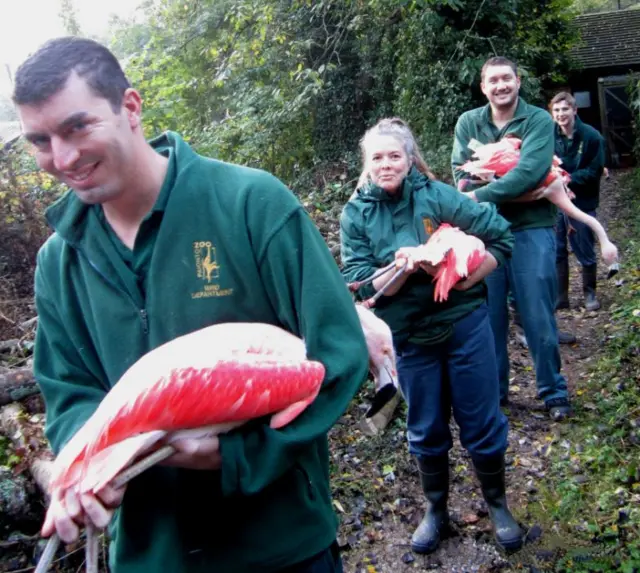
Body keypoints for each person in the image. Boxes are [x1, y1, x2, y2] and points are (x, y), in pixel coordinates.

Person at [12, 36, 370, 573]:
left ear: (130, 108)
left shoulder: (251, 204)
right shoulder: (58, 262)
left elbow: (337, 354)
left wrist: (234, 458)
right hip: (152, 555)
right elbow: (70, 393)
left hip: (280, 546)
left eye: (77, 126)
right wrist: (93, 470)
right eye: (40, 140)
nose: (62, 158)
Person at [340, 117, 524, 555]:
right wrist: (403, 270)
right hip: (408, 337)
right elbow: (360, 284)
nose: (386, 164)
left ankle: (497, 505)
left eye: (394, 156)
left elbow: (500, 235)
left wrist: (464, 278)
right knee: (424, 427)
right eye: (377, 157)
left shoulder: (435, 196)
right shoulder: (356, 214)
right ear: (367, 164)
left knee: (480, 419)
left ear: (409, 159)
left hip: (464, 325)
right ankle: (435, 509)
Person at [451, 56, 572, 421]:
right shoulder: (468, 122)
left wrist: (482, 191)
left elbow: (532, 171)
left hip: (531, 227)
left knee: (536, 312)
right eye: (494, 81)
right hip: (484, 232)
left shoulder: (537, 119)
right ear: (483, 86)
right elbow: (461, 175)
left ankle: (553, 392)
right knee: (489, 318)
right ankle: (496, 393)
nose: (501, 86)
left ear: (518, 81)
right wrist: (516, 189)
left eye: (507, 79)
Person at [550, 91, 606, 314]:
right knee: (557, 247)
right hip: (554, 199)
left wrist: (569, 179)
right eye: (556, 110)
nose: (561, 114)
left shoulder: (592, 137)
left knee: (583, 244)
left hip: (582, 198)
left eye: (565, 109)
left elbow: (595, 170)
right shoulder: (549, 135)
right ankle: (561, 296)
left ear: (574, 110)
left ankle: (589, 292)